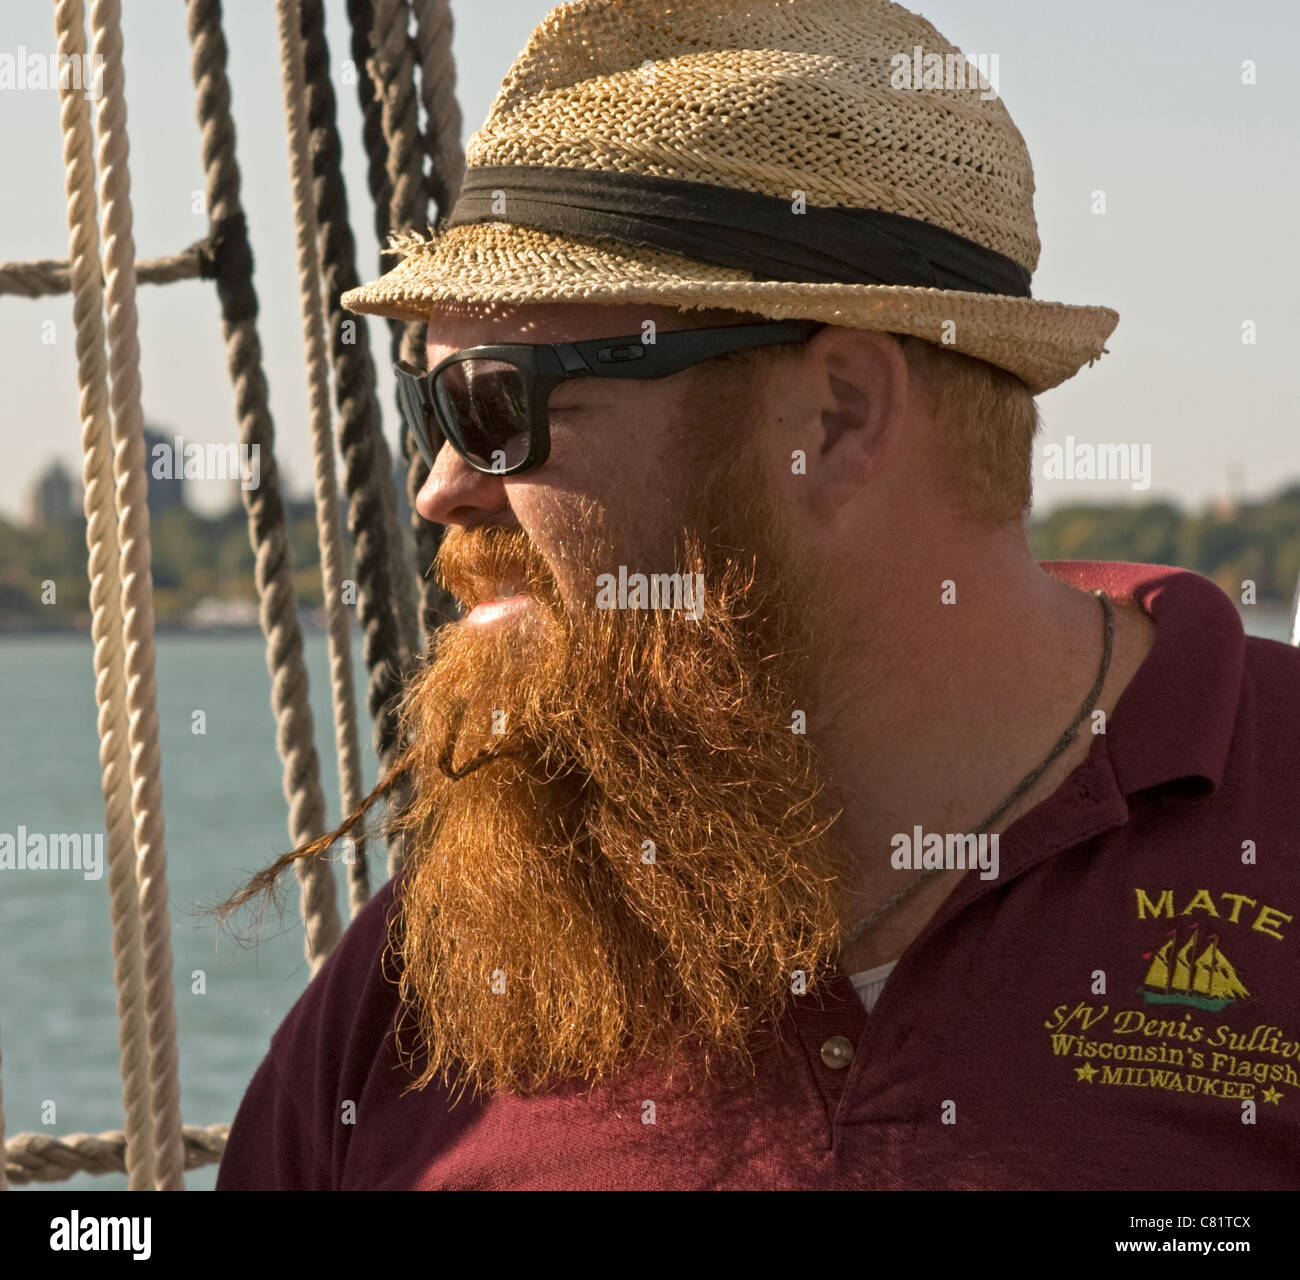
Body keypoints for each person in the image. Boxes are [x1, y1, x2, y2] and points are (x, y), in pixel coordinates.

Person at [216, 0, 1300, 1190]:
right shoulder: (435, 964)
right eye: (427, 412)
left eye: (496, 404)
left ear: (832, 418)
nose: (441, 489)